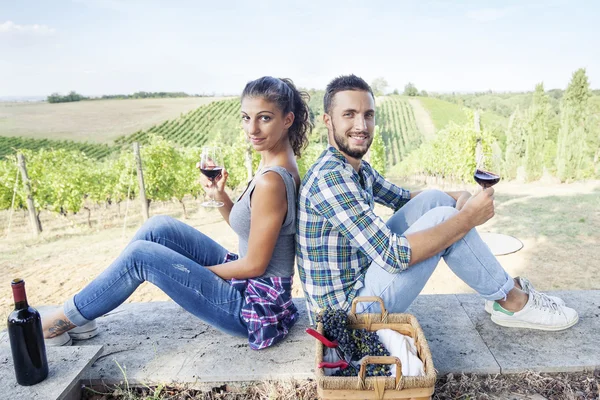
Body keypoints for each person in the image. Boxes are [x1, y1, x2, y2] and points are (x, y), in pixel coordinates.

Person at [42, 76, 312, 350]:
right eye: (246, 117)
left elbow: (254, 265)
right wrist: (219, 195)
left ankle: (57, 323)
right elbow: (249, 230)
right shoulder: (274, 164)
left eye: (264, 118)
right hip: (250, 285)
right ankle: (85, 310)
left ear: (287, 120)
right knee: (158, 227)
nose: (251, 128)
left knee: (141, 257)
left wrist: (193, 273)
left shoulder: (272, 181)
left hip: (255, 308)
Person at [296, 74, 578, 331]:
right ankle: (511, 301)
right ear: (328, 121)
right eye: (349, 115)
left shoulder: (354, 167)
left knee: (436, 201)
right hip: (347, 316)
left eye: (368, 115)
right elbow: (393, 256)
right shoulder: (330, 179)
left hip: (361, 279)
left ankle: (500, 292)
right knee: (446, 219)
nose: (361, 125)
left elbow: (404, 198)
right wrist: (467, 218)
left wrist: (459, 197)